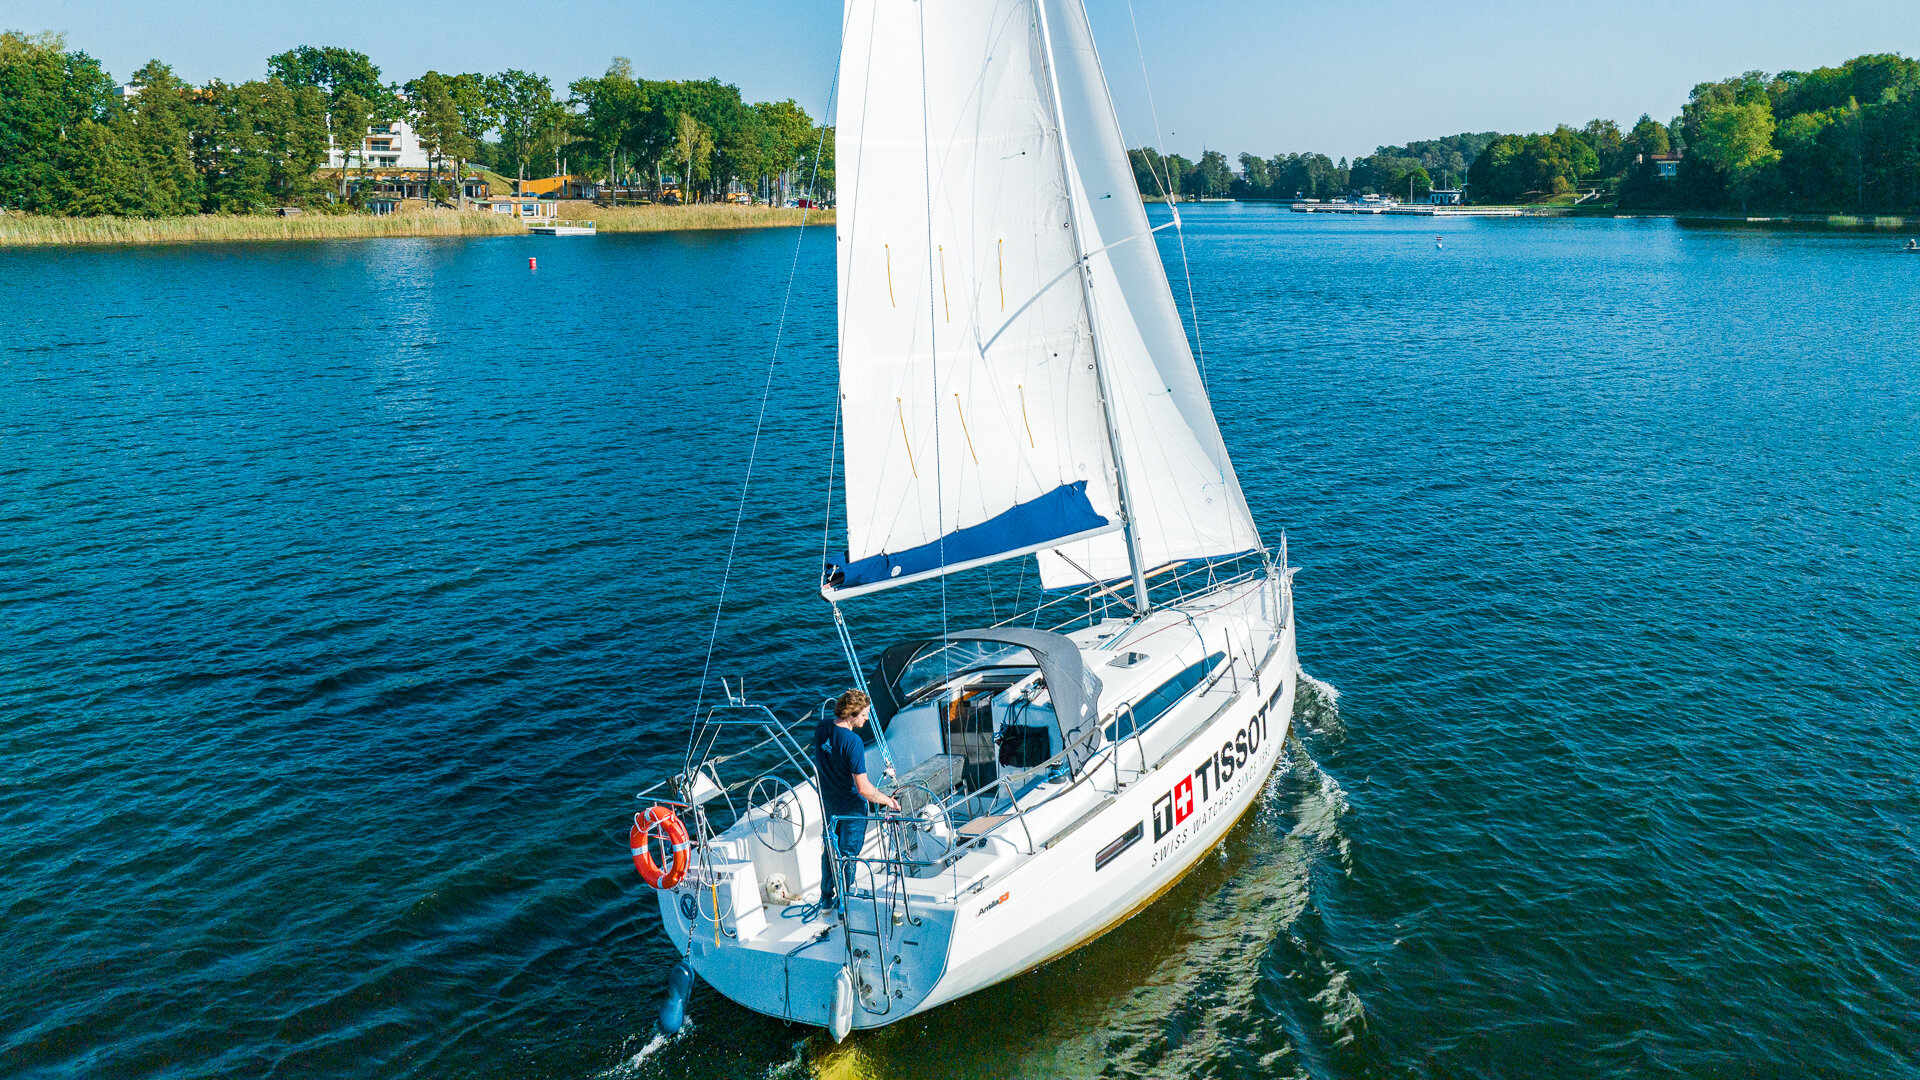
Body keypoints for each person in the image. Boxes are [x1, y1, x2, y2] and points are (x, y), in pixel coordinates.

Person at [814, 689, 899, 911]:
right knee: (848, 855)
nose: (867, 718)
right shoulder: (853, 742)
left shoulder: (822, 727)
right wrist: (888, 801)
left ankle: (826, 898)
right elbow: (863, 788)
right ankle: (845, 900)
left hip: (828, 803)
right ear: (851, 714)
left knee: (830, 850)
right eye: (863, 714)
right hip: (851, 807)